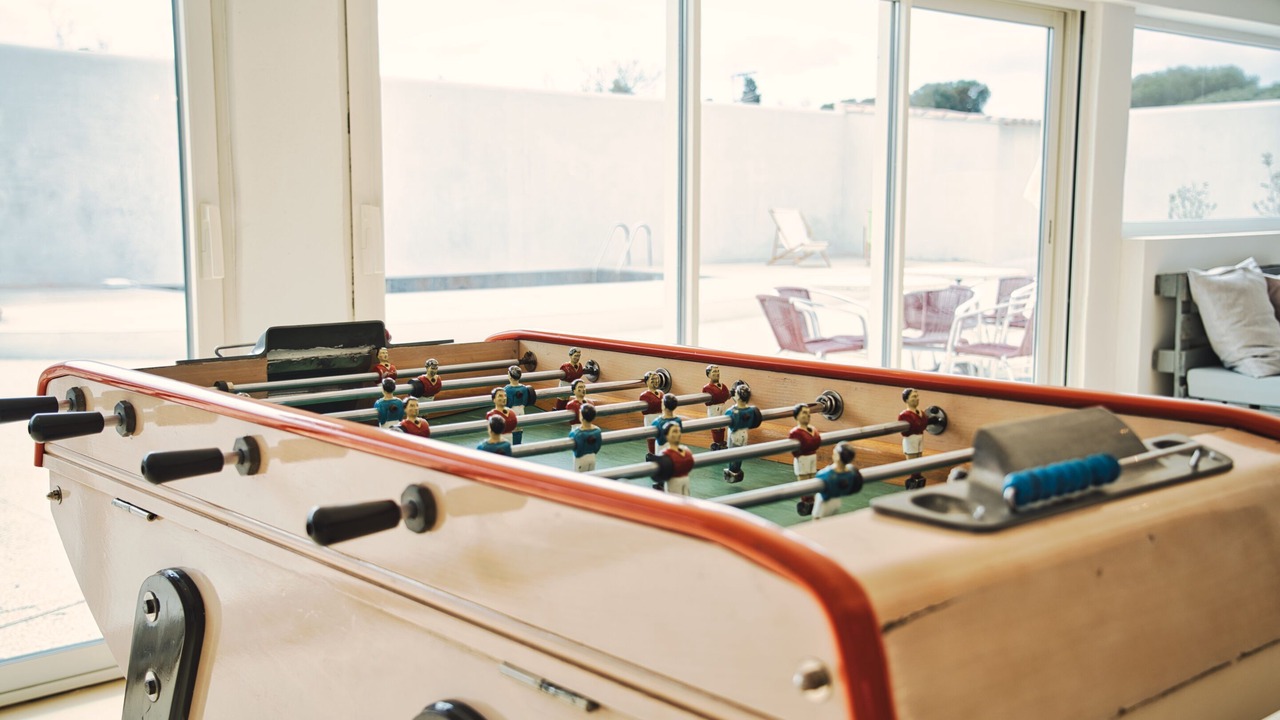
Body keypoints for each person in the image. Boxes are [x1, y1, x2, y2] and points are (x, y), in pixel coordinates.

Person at [722, 382, 761, 483]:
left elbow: (726, 416)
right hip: (744, 434)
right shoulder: (751, 411)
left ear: (737, 396)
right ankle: (736, 470)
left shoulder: (732, 412)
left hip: (735, 435)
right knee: (740, 454)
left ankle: (733, 471)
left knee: (733, 454)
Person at [814, 442, 862, 520]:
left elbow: (818, 476)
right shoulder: (850, 473)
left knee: (818, 521)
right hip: (837, 500)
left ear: (838, 457)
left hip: (825, 501)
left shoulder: (827, 474)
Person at [789, 403, 822, 515]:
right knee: (804, 482)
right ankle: (806, 502)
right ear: (797, 416)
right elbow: (796, 450)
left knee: (812, 479)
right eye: (804, 413)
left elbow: (816, 442)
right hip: (802, 459)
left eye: (808, 413)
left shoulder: (812, 429)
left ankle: (812, 501)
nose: (807, 415)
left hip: (812, 457)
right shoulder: (795, 433)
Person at [899, 387, 930, 490]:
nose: (917, 399)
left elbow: (923, 425)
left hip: (919, 438)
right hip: (911, 440)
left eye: (917, 396)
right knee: (913, 464)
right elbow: (905, 430)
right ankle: (913, 484)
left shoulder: (920, 413)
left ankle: (918, 482)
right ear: (906, 399)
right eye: (913, 396)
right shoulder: (905, 415)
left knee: (919, 462)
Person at [656, 421, 694, 496]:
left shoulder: (686, 449)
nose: (678, 434)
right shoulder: (664, 454)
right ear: (666, 435)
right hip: (674, 482)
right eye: (674, 431)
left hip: (685, 480)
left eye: (679, 431)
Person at [503, 365, 536, 445]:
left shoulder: (507, 389)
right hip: (521, 410)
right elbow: (525, 401)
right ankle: (518, 444)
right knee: (519, 429)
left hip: (511, 411)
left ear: (510, 376)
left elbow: (508, 403)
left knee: (510, 429)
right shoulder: (524, 388)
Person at [702, 364, 732, 450]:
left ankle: (721, 442)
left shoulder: (723, 385)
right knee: (716, 426)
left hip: (722, 406)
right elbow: (707, 401)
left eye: (718, 371)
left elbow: (726, 395)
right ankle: (717, 442)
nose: (717, 373)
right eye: (714, 371)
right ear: (708, 375)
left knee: (722, 425)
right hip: (714, 408)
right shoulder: (707, 388)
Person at [569, 404, 603, 472]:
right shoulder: (597, 431)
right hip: (592, 457)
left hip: (581, 458)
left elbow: (571, 436)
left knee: (579, 479)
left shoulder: (578, 433)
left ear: (581, 416)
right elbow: (598, 446)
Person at [639, 370, 665, 455]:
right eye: (652, 379)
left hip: (660, 418)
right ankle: (652, 454)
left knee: (661, 437)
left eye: (657, 379)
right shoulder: (644, 396)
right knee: (652, 439)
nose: (656, 381)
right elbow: (644, 411)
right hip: (651, 419)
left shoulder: (661, 393)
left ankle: (660, 454)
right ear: (647, 382)